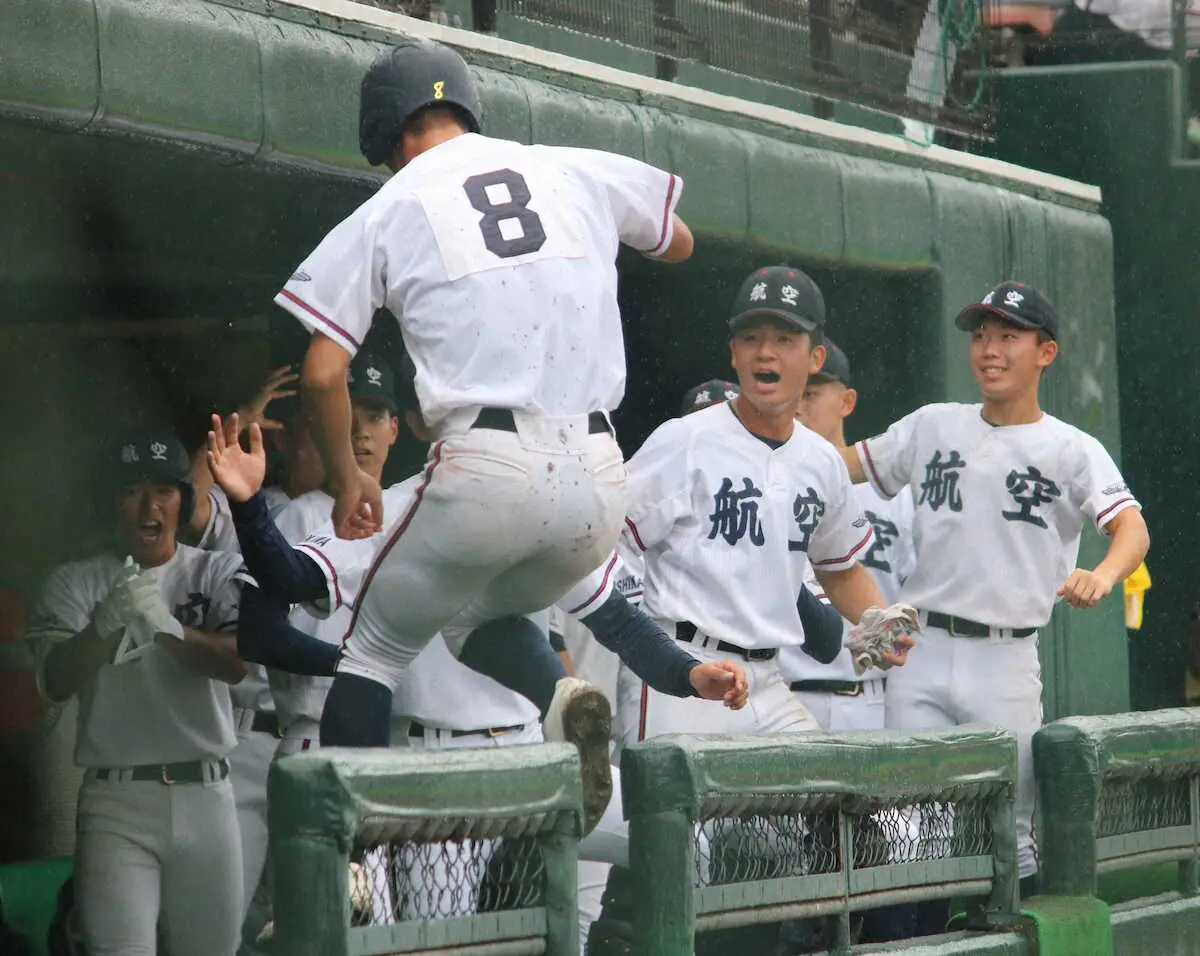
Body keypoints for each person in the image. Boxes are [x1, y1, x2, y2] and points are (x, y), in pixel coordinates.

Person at [271, 38, 693, 754]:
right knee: (464, 610)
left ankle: (356, 859)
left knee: (372, 651)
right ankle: (560, 697)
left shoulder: (393, 201)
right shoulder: (565, 166)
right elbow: (677, 242)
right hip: (596, 479)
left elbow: (319, 372)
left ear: (390, 132)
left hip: (486, 466)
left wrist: (347, 481)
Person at [838, 280, 1151, 890]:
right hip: (921, 649)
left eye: (1009, 336)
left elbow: (1132, 530)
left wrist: (1104, 573)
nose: (990, 349)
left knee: (1011, 827)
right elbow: (843, 468)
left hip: (1005, 656)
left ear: (1046, 352)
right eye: (981, 336)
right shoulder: (933, 425)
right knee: (906, 828)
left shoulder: (1070, 447)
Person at [617, 266, 915, 749]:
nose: (765, 351)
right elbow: (607, 538)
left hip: (769, 681)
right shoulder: (684, 441)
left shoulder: (821, 462)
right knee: (678, 824)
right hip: (687, 672)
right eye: (751, 337)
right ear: (734, 353)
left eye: (784, 338)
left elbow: (838, 568)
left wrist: (878, 620)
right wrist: (634, 633)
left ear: (814, 357)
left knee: (830, 806)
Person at [27, 433, 251, 956]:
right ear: (111, 501)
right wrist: (105, 625)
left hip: (207, 791)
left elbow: (239, 663)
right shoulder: (75, 582)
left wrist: (167, 629)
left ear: (183, 500)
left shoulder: (214, 569)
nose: (150, 506)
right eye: (132, 491)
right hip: (117, 799)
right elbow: (54, 681)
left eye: (165, 491)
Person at [786, 340, 915, 732]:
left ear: (846, 402)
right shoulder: (762, 489)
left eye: (810, 392)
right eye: (793, 391)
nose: (798, 404)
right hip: (785, 697)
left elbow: (922, 597)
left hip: (873, 697)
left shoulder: (894, 497)